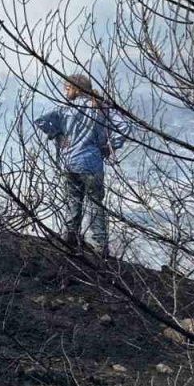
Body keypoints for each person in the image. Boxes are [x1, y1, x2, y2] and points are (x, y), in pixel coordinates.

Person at [32, 74, 125, 257]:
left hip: (69, 163)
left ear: (76, 89)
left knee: (73, 200)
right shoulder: (101, 107)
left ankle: (70, 236)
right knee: (96, 204)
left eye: (67, 87)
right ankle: (100, 245)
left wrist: (57, 134)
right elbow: (124, 127)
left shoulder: (65, 108)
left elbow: (39, 120)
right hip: (92, 163)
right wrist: (111, 146)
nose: (65, 90)